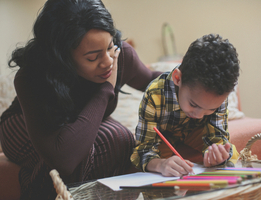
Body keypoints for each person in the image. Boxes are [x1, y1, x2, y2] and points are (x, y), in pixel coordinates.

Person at [0, 0, 161, 199]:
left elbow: (153, 81)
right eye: (93, 58)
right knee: (80, 152)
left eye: (110, 46)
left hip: (76, 130)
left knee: (121, 140)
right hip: (25, 125)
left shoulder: (119, 55)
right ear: (62, 57)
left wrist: (187, 78)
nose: (108, 62)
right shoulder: (33, 77)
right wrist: (105, 90)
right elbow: (64, 159)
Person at [131, 34, 240, 177]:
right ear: (178, 78)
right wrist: (160, 164)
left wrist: (216, 154)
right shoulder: (154, 94)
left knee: (230, 154)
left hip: (197, 132)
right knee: (162, 172)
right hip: (164, 137)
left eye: (211, 109)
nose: (199, 115)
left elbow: (217, 137)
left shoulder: (217, 95)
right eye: (193, 104)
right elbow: (144, 149)